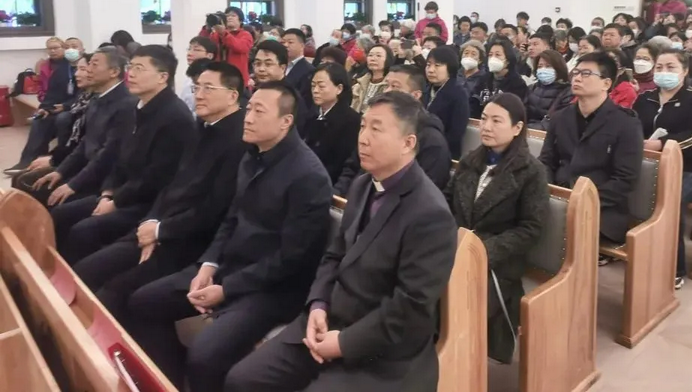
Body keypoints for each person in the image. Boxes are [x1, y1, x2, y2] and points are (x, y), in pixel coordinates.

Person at [224, 92, 457, 392]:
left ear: (408, 143)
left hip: (380, 352)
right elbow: (334, 255)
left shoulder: (430, 214)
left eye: (377, 129)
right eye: (363, 126)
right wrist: (319, 304)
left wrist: (344, 343)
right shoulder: (363, 185)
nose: (363, 138)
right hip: (327, 321)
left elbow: (409, 308)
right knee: (242, 380)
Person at [127, 82, 333, 392]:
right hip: (230, 269)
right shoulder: (252, 156)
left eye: (258, 111)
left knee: (205, 355)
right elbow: (232, 219)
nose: (247, 117)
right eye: (249, 108)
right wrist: (208, 264)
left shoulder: (309, 176)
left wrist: (226, 289)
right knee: (142, 302)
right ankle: (171, 382)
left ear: (285, 121)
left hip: (273, 288)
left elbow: (291, 259)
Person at [71, 62, 246, 321]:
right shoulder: (202, 127)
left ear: (232, 96)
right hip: (161, 224)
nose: (198, 94)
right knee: (87, 268)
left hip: (190, 240)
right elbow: (172, 184)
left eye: (208, 88)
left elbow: (213, 211)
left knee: (115, 292)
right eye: (197, 87)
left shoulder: (239, 141)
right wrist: (152, 222)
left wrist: (160, 231)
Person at [50, 46, 195, 265]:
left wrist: (116, 200)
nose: (131, 74)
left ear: (162, 77)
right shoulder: (136, 108)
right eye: (130, 67)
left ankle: (76, 289)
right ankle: (51, 278)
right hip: (121, 192)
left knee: (84, 230)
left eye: (139, 68)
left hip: (149, 204)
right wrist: (108, 192)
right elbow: (119, 157)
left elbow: (155, 178)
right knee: (60, 214)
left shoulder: (175, 117)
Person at [445, 93, 546, 363]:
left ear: (517, 128)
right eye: (485, 118)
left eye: (497, 121)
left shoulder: (531, 172)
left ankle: (455, 367)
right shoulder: (470, 161)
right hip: (454, 249)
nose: (486, 126)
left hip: (496, 264)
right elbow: (447, 203)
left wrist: (480, 252)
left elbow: (530, 228)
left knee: (452, 306)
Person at [540, 52, 643, 247]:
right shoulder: (560, 117)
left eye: (586, 73)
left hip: (601, 208)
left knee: (556, 236)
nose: (577, 78)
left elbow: (625, 179)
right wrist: (549, 192)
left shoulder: (625, 123)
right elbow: (546, 160)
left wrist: (582, 201)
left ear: (606, 83)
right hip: (558, 197)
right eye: (576, 72)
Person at [633, 49, 692, 289]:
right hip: (648, 161)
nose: (663, 72)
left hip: (691, 167)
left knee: (669, 200)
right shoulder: (645, 97)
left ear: (685, 71)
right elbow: (631, 124)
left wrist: (665, 145)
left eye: (671, 68)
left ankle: (674, 266)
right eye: (659, 67)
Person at [29, 48, 135, 207]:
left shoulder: (125, 104)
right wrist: (61, 171)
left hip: (105, 177)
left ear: (114, 72)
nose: (88, 70)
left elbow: (108, 154)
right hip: (87, 167)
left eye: (94, 65)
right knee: (29, 182)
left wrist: (73, 184)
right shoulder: (96, 98)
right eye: (88, 64)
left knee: (49, 199)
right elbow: (85, 142)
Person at [333, 65, 452, 196]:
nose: (388, 91)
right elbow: (352, 167)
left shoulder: (432, 140)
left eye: (395, 87)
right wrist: (338, 197)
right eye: (386, 86)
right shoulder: (373, 122)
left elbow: (426, 192)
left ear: (416, 95)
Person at [12, 54, 94, 190]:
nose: (77, 74)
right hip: (72, 154)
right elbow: (76, 141)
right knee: (41, 120)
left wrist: (55, 161)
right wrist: (47, 108)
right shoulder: (83, 96)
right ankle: (27, 159)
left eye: (83, 69)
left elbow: (87, 145)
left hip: (84, 165)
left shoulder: (99, 103)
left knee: (25, 182)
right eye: (77, 69)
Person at [5, 37, 78, 174]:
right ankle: (29, 161)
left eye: (57, 47)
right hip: (58, 105)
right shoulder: (60, 70)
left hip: (75, 107)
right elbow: (52, 92)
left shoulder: (83, 68)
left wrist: (65, 106)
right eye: (50, 48)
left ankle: (59, 160)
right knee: (40, 120)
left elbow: (84, 95)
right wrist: (44, 108)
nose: (53, 51)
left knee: (62, 119)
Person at [303, 63, 361, 183]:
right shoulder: (311, 116)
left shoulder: (351, 121)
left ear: (339, 88)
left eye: (321, 86)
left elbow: (344, 164)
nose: (315, 90)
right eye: (313, 85)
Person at [423, 46, 470, 159]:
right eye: (428, 65)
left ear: (450, 68)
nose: (431, 70)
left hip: (443, 152)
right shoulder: (425, 89)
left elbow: (456, 133)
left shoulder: (458, 93)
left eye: (437, 65)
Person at [471, 38, 528, 118]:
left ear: (508, 60)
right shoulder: (483, 80)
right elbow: (473, 103)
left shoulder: (517, 84)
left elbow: (516, 112)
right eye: (490, 55)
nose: (493, 58)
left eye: (497, 55)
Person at [525, 50, 573, 130]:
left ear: (558, 68)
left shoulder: (567, 92)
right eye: (540, 66)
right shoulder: (532, 88)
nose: (543, 69)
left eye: (548, 66)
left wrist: (527, 129)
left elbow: (557, 122)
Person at [210, 7, 254, 84]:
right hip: (218, 76)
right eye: (227, 16)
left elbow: (239, 47)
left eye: (233, 16)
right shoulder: (216, 34)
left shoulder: (245, 35)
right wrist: (208, 27)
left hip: (237, 78)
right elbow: (207, 46)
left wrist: (224, 33)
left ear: (240, 20)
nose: (229, 18)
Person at [351, 44, 393, 114]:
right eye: (370, 55)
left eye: (378, 56)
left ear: (388, 59)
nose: (373, 59)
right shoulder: (359, 84)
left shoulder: (390, 85)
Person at [181, 36, 217, 111]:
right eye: (189, 49)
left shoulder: (214, 79)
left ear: (209, 56)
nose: (189, 53)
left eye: (196, 50)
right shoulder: (188, 79)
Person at [282, 27, 316, 103]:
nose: (285, 45)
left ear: (302, 46)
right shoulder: (279, 66)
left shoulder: (309, 71)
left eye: (290, 42)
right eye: (283, 42)